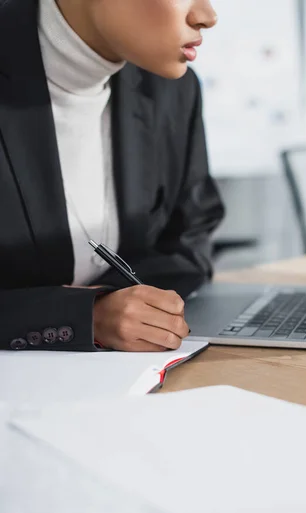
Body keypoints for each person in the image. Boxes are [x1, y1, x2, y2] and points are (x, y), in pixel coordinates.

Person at [0, 0, 224, 353]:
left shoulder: (173, 91)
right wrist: (81, 317)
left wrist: (137, 309)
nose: (207, 16)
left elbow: (192, 239)